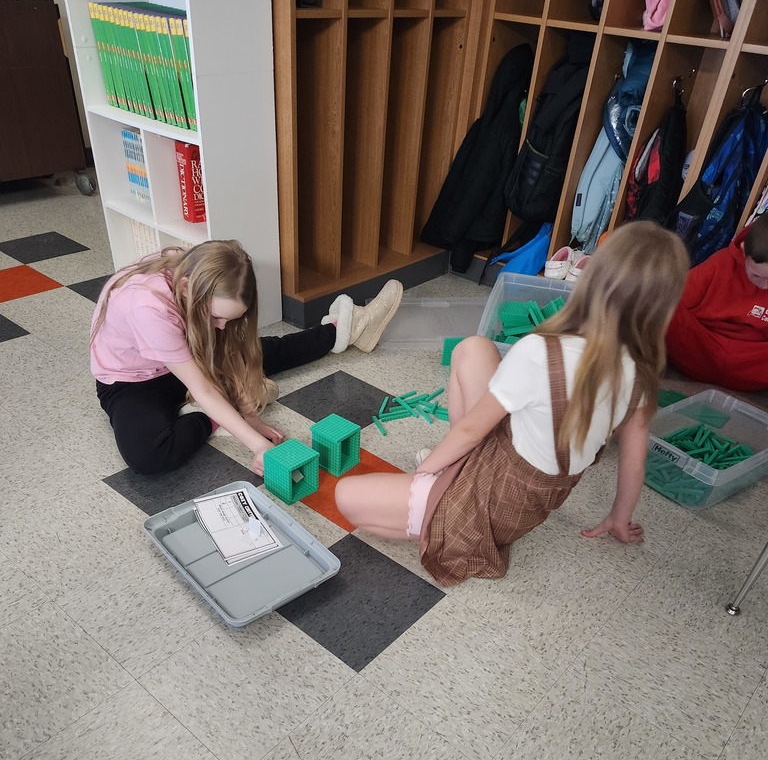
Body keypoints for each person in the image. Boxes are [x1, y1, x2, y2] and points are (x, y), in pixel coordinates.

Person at [335, 222, 689, 586]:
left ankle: (438, 509)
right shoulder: (641, 379)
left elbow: (472, 431)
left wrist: (425, 475)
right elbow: (634, 465)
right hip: (523, 494)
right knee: (474, 348)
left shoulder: (541, 351)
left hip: (489, 503)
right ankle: (442, 483)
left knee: (346, 496)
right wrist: (619, 516)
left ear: (592, 277)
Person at [90, 239, 402, 475]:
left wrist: (247, 411)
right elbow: (204, 388)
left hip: (186, 359)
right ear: (186, 288)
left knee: (264, 351)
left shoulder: (198, 275)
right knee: (150, 456)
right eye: (215, 317)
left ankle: (343, 329)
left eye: (228, 319)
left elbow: (223, 349)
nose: (221, 326)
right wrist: (255, 441)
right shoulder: (148, 307)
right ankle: (210, 416)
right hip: (132, 382)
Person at [665, 214, 768, 392]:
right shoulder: (721, 263)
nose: (764, 285)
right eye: (757, 276)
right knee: (661, 303)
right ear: (743, 252)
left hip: (751, 363)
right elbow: (676, 302)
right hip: (701, 347)